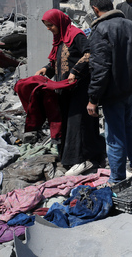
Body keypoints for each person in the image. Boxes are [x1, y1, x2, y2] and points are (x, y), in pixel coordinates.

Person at [86, 0, 132, 185]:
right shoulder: (131, 25)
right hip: (130, 89)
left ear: (95, 9)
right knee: (128, 126)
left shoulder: (100, 31)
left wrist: (93, 98)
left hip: (113, 93)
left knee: (114, 137)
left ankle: (117, 179)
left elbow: (99, 69)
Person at [35, 9, 105, 176]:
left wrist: (75, 70)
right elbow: (57, 62)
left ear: (59, 22)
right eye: (47, 26)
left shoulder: (76, 35)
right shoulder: (59, 40)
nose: (49, 29)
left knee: (78, 125)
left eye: (50, 25)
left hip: (79, 89)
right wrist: (46, 69)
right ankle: (70, 159)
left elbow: (89, 54)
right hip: (64, 91)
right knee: (67, 125)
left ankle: (83, 160)